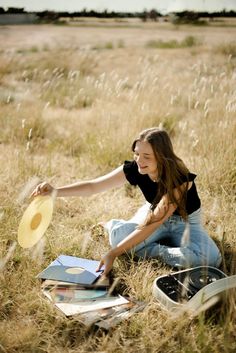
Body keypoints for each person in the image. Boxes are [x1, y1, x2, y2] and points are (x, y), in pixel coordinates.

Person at [31, 127, 222, 275]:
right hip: (153, 211)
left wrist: (114, 253)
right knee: (119, 238)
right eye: (137, 153)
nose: (139, 160)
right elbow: (93, 187)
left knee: (210, 259)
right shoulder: (135, 168)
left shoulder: (179, 178)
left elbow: (154, 222)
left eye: (147, 156)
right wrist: (55, 192)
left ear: (162, 158)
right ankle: (118, 230)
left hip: (185, 222)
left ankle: (151, 248)